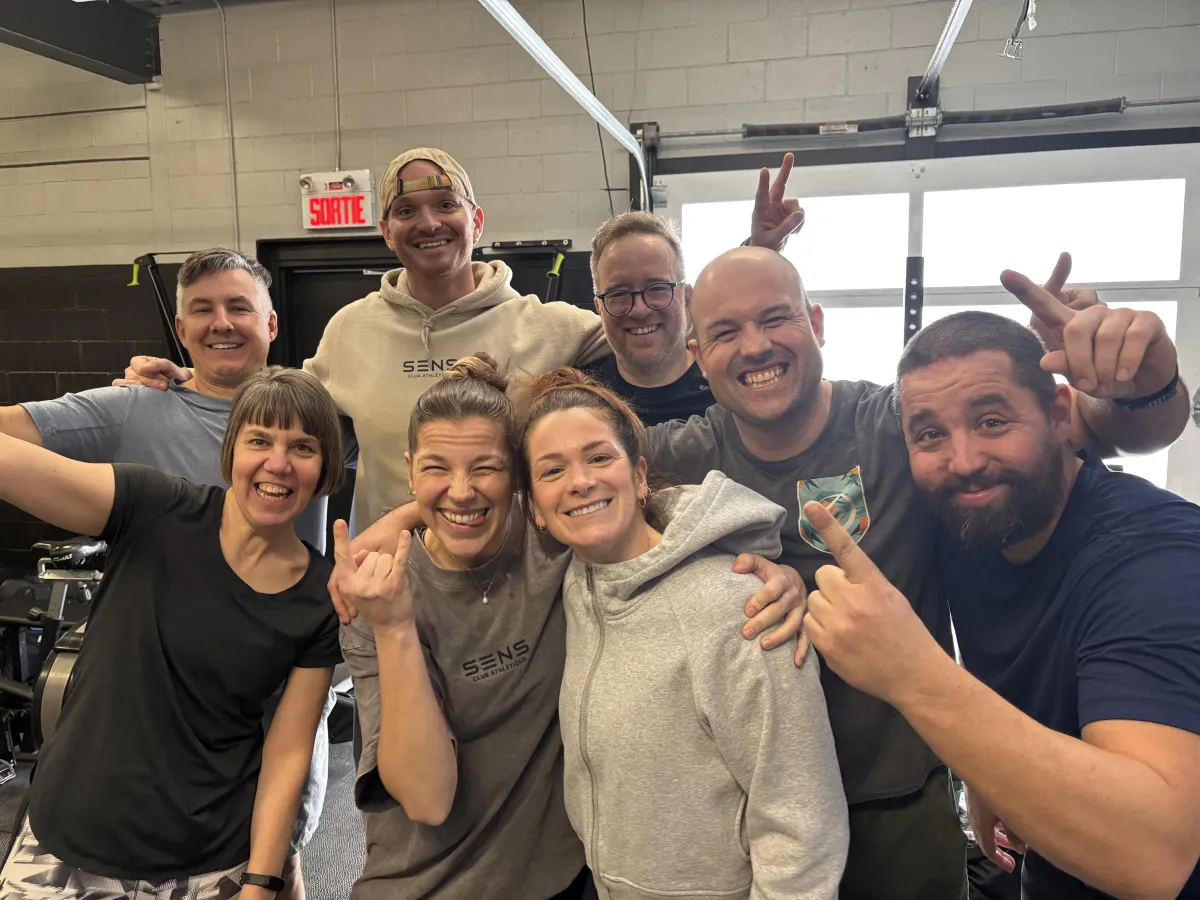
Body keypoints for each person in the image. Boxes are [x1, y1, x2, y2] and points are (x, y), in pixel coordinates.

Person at [645, 246, 1188, 899]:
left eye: (776, 318)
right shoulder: (688, 452)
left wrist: (1145, 383)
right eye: (726, 331)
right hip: (754, 805)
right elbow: (577, 463)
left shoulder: (898, 432)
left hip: (901, 796)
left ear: (817, 324)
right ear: (698, 355)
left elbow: (1112, 430)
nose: (963, 459)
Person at [331, 356, 808, 900]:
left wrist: (759, 563)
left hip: (562, 879)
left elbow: (628, 506)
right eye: (436, 468)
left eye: (484, 467)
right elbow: (427, 799)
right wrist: (393, 624)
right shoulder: (375, 593)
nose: (462, 491)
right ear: (410, 469)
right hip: (423, 884)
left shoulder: (555, 546)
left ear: (517, 482)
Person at [801, 308, 1199, 899]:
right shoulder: (965, 516)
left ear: (1060, 415)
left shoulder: (1155, 554)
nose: (963, 461)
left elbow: (1155, 855)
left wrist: (912, 674)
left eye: (991, 420)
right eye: (930, 433)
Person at [3, 247, 332, 900]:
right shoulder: (145, 447)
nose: (222, 323)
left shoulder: (317, 406)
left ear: (271, 323)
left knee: (280, 825)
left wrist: (270, 869)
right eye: (202, 310)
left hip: (269, 683)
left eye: (240, 306)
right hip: (140, 708)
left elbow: (290, 747)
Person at [518, 368, 848, 898]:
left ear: (640, 475)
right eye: (552, 470)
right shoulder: (577, 583)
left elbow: (800, 820)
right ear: (534, 506)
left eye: (599, 457)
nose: (580, 481)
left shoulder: (736, 606)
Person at [582, 156, 805, 426]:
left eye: (657, 288)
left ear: (686, 298)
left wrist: (758, 251)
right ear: (598, 307)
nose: (640, 309)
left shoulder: (738, 382)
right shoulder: (582, 400)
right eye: (618, 294)